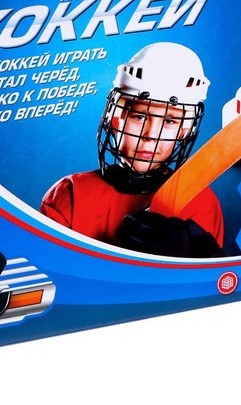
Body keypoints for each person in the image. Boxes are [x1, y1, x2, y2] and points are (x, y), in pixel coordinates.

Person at [40, 42, 225, 258]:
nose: (151, 135)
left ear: (183, 132)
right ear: (115, 120)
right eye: (139, 116)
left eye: (169, 121)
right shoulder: (71, 194)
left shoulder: (200, 201)